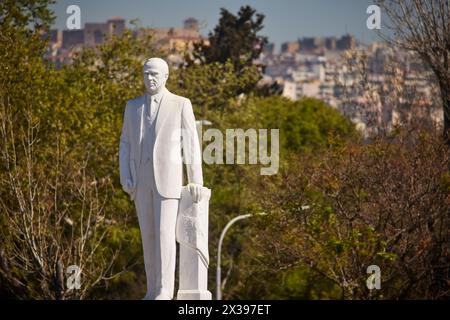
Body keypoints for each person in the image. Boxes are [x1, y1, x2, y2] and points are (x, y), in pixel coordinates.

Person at [119, 57, 203, 300]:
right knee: (149, 236)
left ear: (166, 77)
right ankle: (152, 289)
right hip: (140, 182)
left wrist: (195, 178)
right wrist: (126, 175)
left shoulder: (180, 104)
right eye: (146, 74)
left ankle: (165, 290)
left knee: (166, 234)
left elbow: (191, 144)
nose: (150, 78)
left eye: (155, 74)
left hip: (168, 182)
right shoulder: (132, 106)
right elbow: (125, 143)